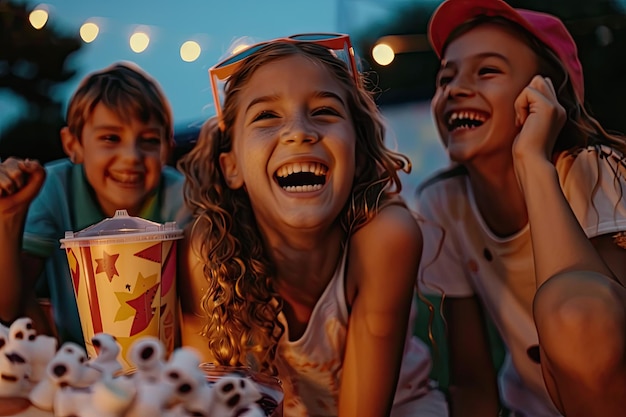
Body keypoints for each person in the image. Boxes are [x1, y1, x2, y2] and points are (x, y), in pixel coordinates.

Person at [177, 34, 449, 416]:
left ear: (357, 148)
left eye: (324, 111)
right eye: (266, 116)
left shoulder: (386, 236)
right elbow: (211, 401)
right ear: (232, 166)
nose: (300, 131)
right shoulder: (207, 253)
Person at [415, 0, 626, 416]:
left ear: (543, 97)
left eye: (487, 70)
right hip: (529, 409)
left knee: (573, 308)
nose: (454, 89)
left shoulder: (594, 171)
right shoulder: (444, 204)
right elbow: (472, 380)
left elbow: (598, 331)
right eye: (445, 77)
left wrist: (532, 160)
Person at [0, 62, 188, 346]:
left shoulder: (182, 196)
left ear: (167, 149)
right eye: (111, 138)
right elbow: (8, 308)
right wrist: (8, 216)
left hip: (166, 362)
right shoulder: (54, 188)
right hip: (76, 360)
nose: (131, 157)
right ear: (73, 144)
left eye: (149, 140)